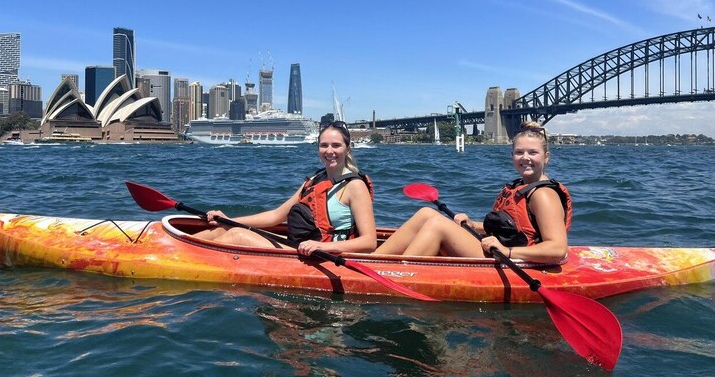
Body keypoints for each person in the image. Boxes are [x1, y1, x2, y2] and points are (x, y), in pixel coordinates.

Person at [375, 121, 572, 263]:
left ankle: (399, 274)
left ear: (546, 157)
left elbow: (557, 248)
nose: (525, 158)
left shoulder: (543, 195)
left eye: (533, 153)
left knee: (437, 225)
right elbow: (513, 229)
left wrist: (507, 251)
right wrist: (473, 225)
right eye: (519, 152)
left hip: (516, 259)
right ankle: (372, 261)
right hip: (501, 249)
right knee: (426, 213)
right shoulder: (521, 186)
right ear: (512, 155)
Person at [194, 121, 377, 256]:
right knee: (223, 230)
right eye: (324, 145)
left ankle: (192, 260)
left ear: (348, 149)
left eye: (336, 145)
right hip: (299, 248)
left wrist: (322, 246)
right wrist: (228, 220)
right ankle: (181, 250)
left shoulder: (355, 186)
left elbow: (369, 242)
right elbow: (276, 216)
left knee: (237, 236)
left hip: (323, 255)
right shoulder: (314, 180)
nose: (329, 151)